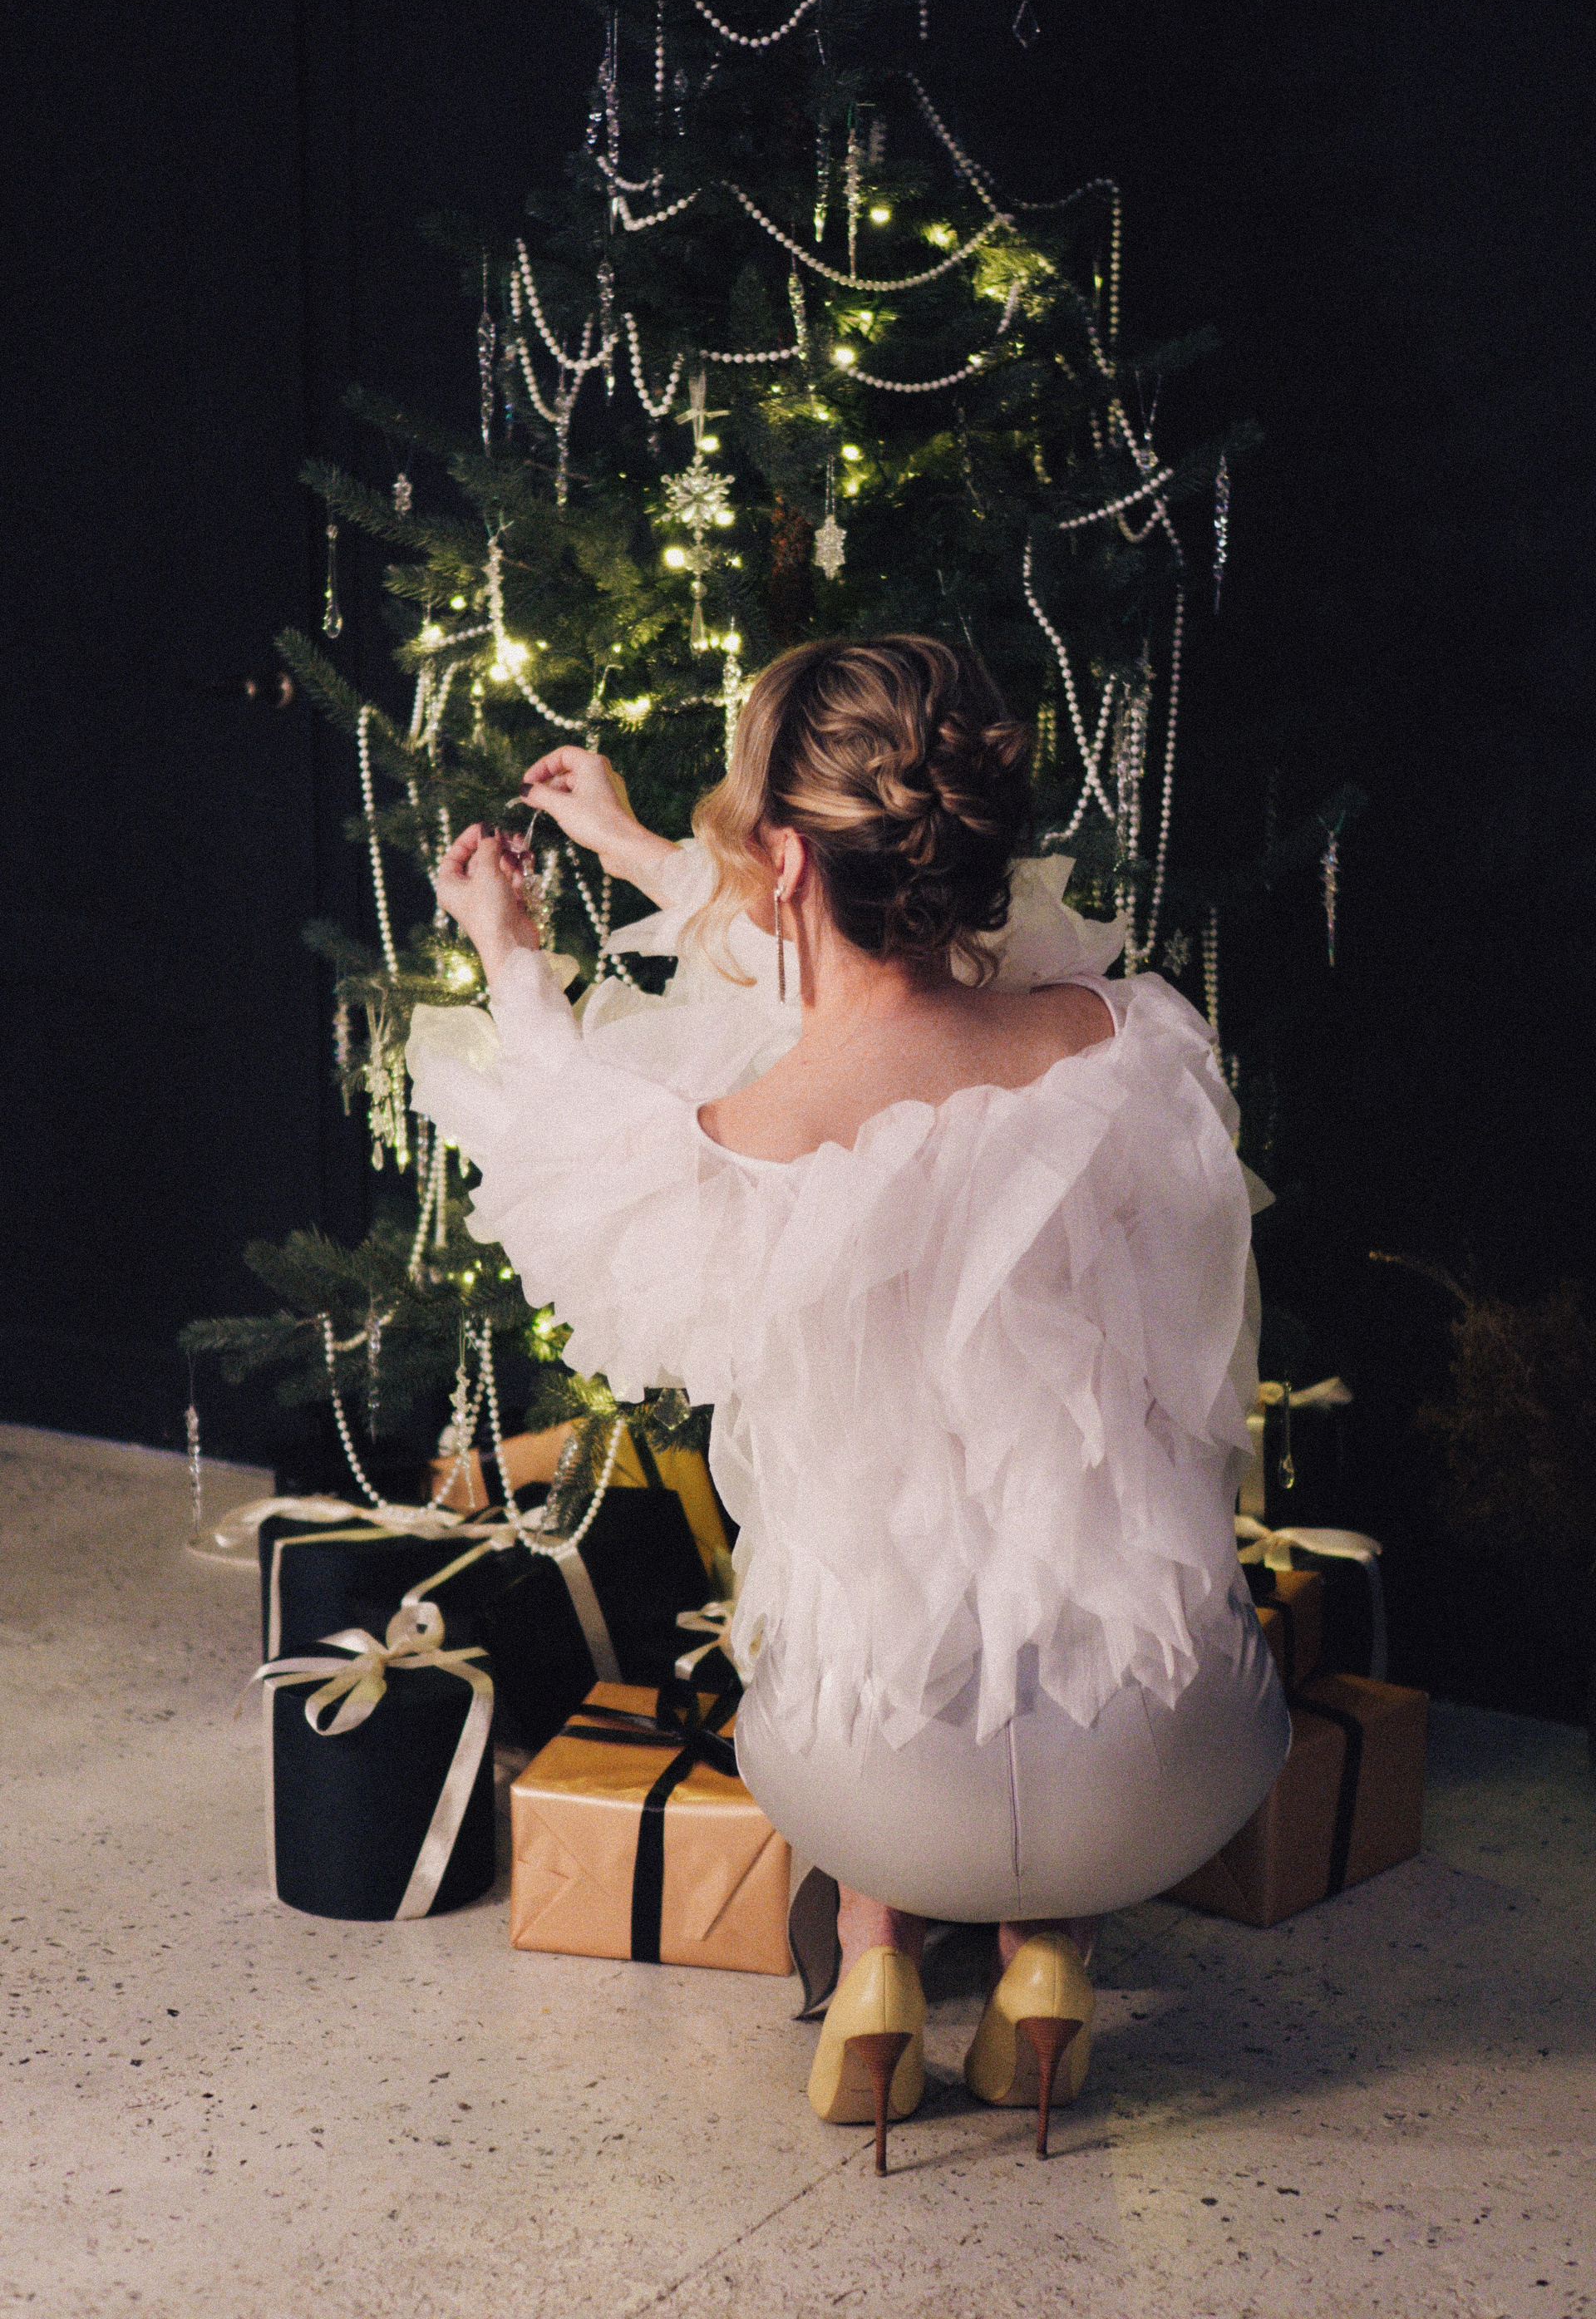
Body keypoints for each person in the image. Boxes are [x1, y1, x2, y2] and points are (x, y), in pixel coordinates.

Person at [410, 635, 1290, 2172]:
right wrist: (634, 847)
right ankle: (1047, 1954)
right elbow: (865, 976)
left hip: (877, 1790)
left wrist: (511, 945)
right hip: (1174, 1758)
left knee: (857, 1571)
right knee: (1046, 1519)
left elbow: (561, 1132)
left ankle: (875, 1961)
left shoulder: (737, 1147)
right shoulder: (1129, 1042)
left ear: (788, 861)